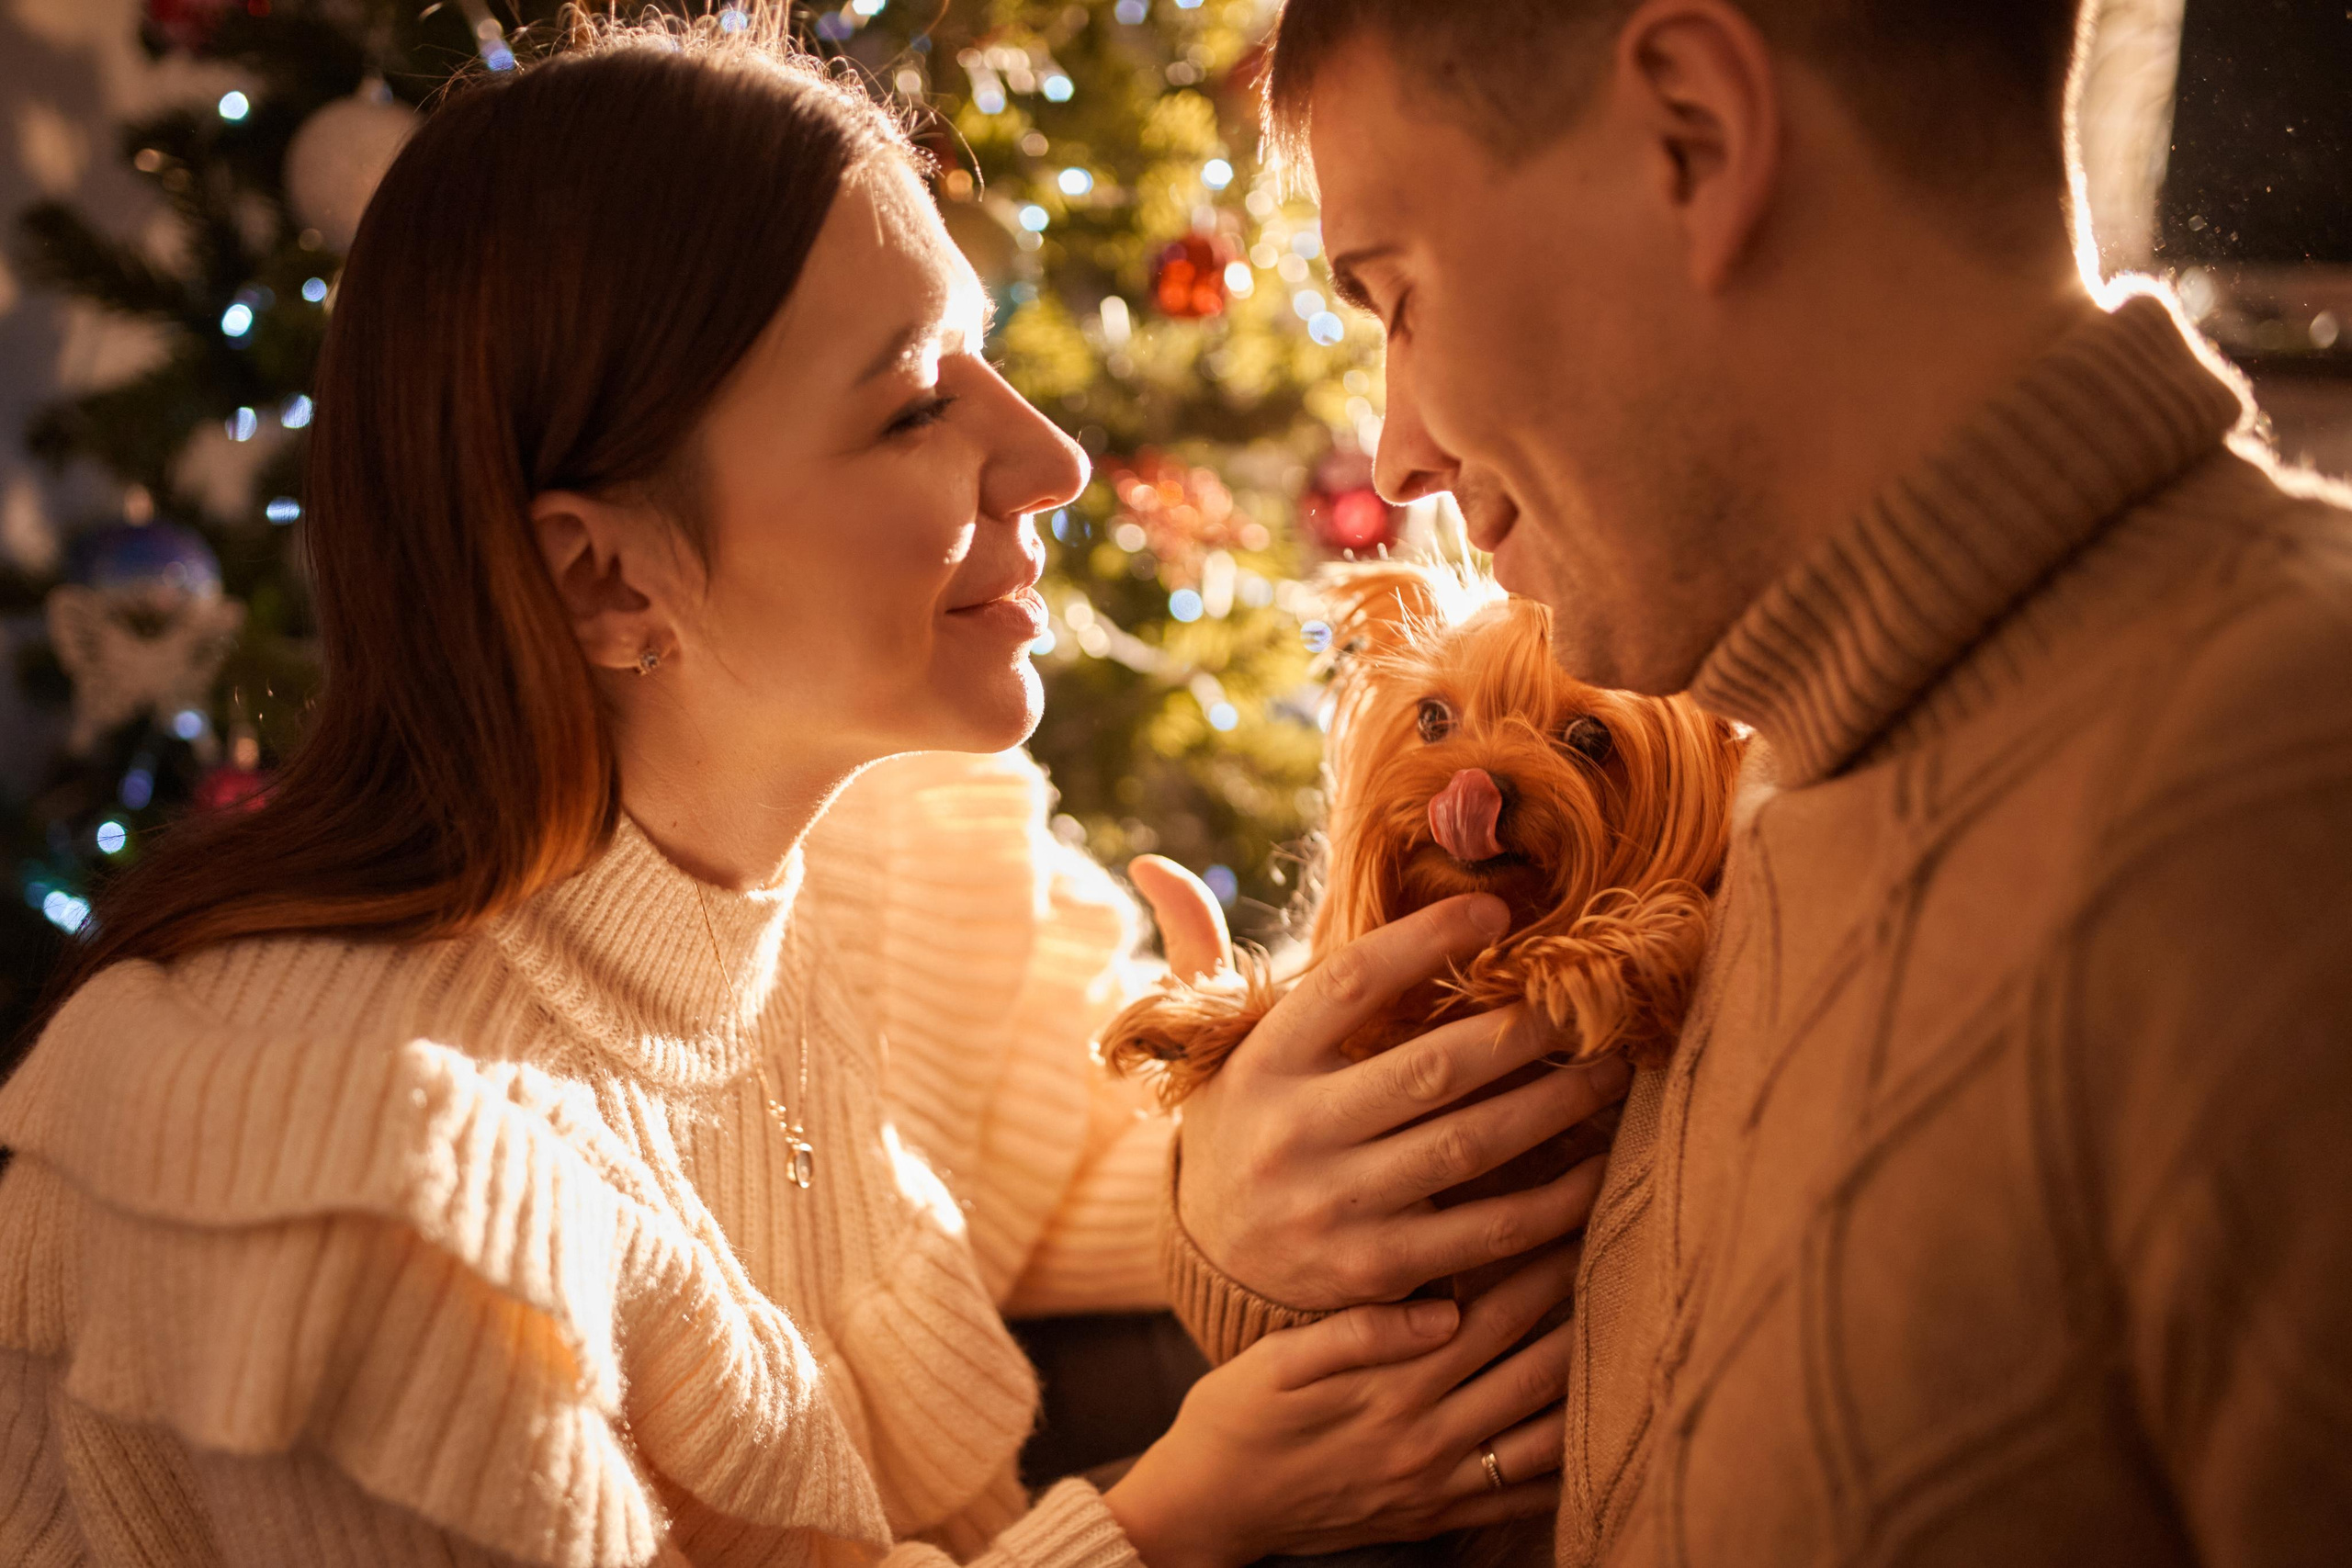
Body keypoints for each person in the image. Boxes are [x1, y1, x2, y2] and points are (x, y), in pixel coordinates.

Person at [0, 15, 1600, 1567]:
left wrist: (1235, 1166)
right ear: (601, 579)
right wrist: (1166, 1530)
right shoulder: (368, 1187)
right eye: (914, 403)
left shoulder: (872, 854)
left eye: (983, 362)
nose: (1048, 459)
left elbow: (1139, 1161)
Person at [1155, 1, 2352, 1563]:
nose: (1395, 463)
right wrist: (1237, 1219)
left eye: (1397, 297)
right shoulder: (1780, 773)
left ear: (1695, 139)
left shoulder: (2278, 816)